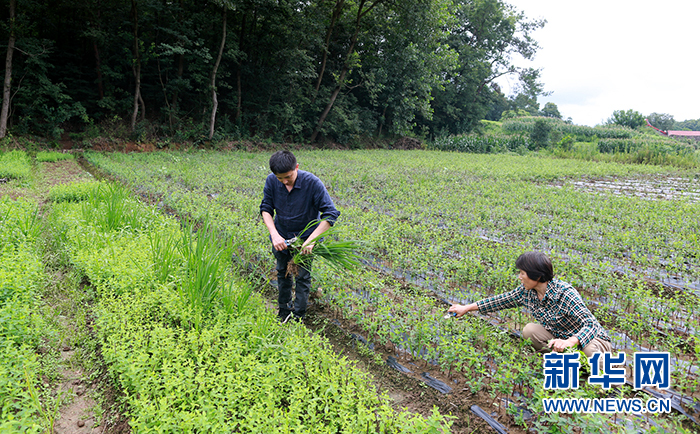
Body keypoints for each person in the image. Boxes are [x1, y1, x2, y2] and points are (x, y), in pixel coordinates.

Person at [448, 251, 612, 358]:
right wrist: (467, 308)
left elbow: (591, 324)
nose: (519, 277)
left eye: (522, 273)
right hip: (560, 339)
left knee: (590, 352)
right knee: (530, 331)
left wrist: (570, 341)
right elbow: (500, 301)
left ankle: (608, 369)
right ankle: (571, 362)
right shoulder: (527, 291)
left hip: (590, 339)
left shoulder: (565, 293)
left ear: (537, 276)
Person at [260, 150, 340, 323]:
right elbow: (266, 208)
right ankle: (283, 312)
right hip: (281, 237)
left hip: (305, 240)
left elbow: (330, 214)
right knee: (283, 273)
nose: (284, 181)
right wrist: (274, 234)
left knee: (302, 277)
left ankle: (298, 317)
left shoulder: (312, 183)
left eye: (288, 176)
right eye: (280, 178)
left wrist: (311, 241)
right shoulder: (272, 181)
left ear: (296, 167)